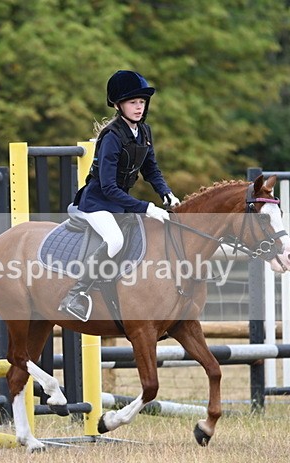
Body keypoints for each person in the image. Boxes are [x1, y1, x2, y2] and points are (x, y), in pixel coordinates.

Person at [59, 69, 180, 321]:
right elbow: (108, 188)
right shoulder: (112, 137)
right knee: (115, 240)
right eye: (132, 102)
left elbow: (151, 169)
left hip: (119, 203)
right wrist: (146, 207)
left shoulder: (144, 132)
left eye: (141, 102)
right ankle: (76, 294)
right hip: (97, 202)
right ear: (118, 105)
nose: (138, 107)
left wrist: (166, 192)